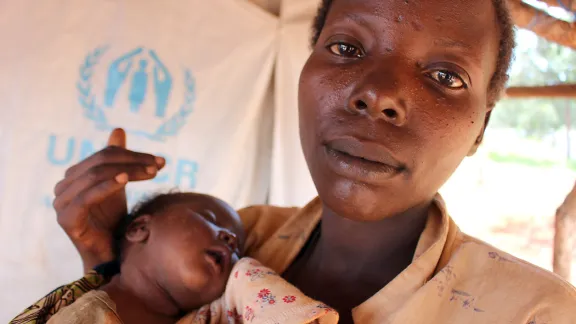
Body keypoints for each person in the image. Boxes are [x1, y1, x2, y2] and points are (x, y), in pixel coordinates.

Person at [13, 0, 576, 323]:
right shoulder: (240, 235)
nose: (377, 94)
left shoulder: (537, 314)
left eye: (446, 77)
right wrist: (110, 265)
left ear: (480, 128)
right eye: (348, 48)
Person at [15, 191, 339, 324]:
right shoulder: (90, 313)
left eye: (238, 246)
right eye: (211, 218)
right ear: (141, 228)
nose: (230, 240)